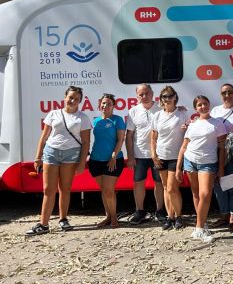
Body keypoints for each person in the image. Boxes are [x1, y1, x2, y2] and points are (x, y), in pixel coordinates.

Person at [26, 86, 91, 236]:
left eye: (76, 99)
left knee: (65, 189)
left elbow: (86, 142)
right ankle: (43, 224)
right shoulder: (53, 114)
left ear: (80, 101)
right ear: (65, 97)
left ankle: (63, 219)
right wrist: (38, 157)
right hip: (51, 153)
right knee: (48, 190)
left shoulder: (83, 118)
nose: (73, 101)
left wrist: (82, 163)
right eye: (71, 97)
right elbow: (44, 136)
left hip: (71, 155)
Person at [176, 95, 226, 242]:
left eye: (205, 103)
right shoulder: (192, 125)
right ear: (195, 108)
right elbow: (184, 147)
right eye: (199, 105)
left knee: (205, 194)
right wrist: (178, 168)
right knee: (196, 194)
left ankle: (199, 228)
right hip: (190, 161)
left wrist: (221, 168)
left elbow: (222, 148)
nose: (203, 107)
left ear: (209, 104)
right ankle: (202, 225)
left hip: (208, 163)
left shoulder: (217, 123)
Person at [126, 83, 166, 224]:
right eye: (141, 94)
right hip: (139, 155)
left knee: (159, 183)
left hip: (158, 154)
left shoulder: (161, 109)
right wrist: (130, 156)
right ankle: (139, 211)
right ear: (137, 96)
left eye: (146, 93)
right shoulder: (133, 111)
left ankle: (160, 211)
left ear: (152, 93)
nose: (144, 96)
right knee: (138, 183)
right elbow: (129, 136)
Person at [151, 86, 188, 230]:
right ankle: (170, 217)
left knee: (173, 188)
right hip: (161, 155)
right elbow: (153, 137)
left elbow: (189, 130)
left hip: (176, 156)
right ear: (161, 99)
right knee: (166, 187)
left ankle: (179, 216)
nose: (167, 99)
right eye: (164, 96)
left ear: (175, 97)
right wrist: (153, 154)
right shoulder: (157, 115)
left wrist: (187, 127)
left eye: (170, 96)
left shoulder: (182, 113)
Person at [211, 83, 233, 231]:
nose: (227, 95)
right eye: (224, 93)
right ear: (221, 95)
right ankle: (224, 215)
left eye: (230, 92)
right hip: (217, 153)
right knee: (219, 186)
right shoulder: (215, 110)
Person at [89, 93, 126, 228]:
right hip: (95, 160)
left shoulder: (117, 120)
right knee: (104, 190)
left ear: (113, 106)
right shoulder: (96, 121)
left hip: (113, 160)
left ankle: (114, 218)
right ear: (100, 105)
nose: (105, 105)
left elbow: (120, 140)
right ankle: (108, 217)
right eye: (103, 103)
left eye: (109, 103)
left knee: (109, 190)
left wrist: (113, 157)